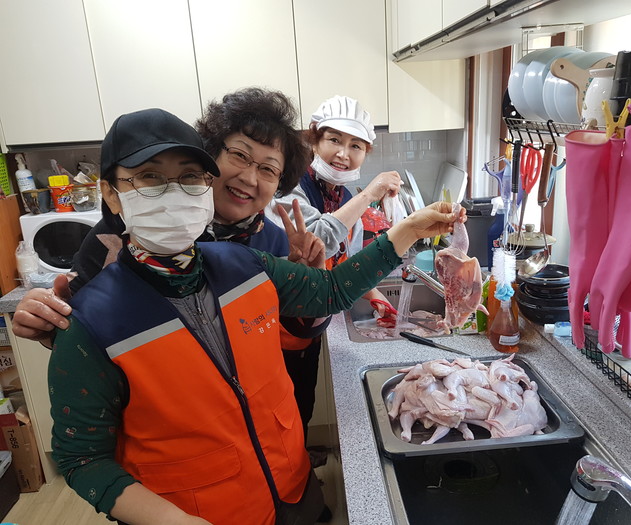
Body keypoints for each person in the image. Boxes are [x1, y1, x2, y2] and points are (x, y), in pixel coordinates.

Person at [48, 107, 462, 524]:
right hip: (200, 511)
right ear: (111, 193)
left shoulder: (242, 262)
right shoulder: (91, 320)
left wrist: (409, 229)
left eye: (189, 177)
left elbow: (330, 291)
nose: (174, 194)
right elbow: (83, 460)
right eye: (150, 177)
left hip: (291, 488)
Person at [12, 88, 329, 443]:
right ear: (210, 157)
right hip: (165, 439)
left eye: (268, 169)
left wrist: (312, 288)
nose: (249, 178)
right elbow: (87, 341)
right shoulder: (114, 239)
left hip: (264, 432)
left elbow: (293, 342)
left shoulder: (276, 244)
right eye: (239, 156)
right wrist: (48, 324)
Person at [266, 95, 403, 430]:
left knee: (302, 408)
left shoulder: (343, 195)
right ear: (314, 140)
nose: (343, 154)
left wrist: (372, 293)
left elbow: (346, 259)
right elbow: (318, 240)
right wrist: (370, 194)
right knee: (278, 420)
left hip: (313, 320)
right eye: (334, 140)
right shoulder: (288, 188)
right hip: (277, 331)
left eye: (356, 145)